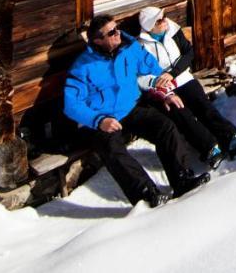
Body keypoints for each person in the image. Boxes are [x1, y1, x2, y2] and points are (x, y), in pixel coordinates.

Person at [63, 14, 211, 206]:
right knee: (113, 150)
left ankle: (182, 179)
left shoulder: (129, 47)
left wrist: (165, 91)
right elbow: (71, 104)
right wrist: (99, 120)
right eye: (112, 32)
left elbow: (154, 69)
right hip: (100, 117)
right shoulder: (82, 67)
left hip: (130, 107)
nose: (118, 34)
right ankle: (146, 194)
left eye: (117, 28)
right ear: (98, 40)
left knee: (165, 127)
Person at [137, 6, 236, 167]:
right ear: (149, 26)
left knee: (203, 106)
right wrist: (159, 83)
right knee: (183, 115)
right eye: (159, 20)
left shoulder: (172, 30)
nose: (164, 21)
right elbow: (141, 74)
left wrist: (173, 73)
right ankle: (209, 149)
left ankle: (231, 138)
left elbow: (188, 54)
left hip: (183, 78)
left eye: (164, 16)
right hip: (165, 88)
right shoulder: (141, 46)